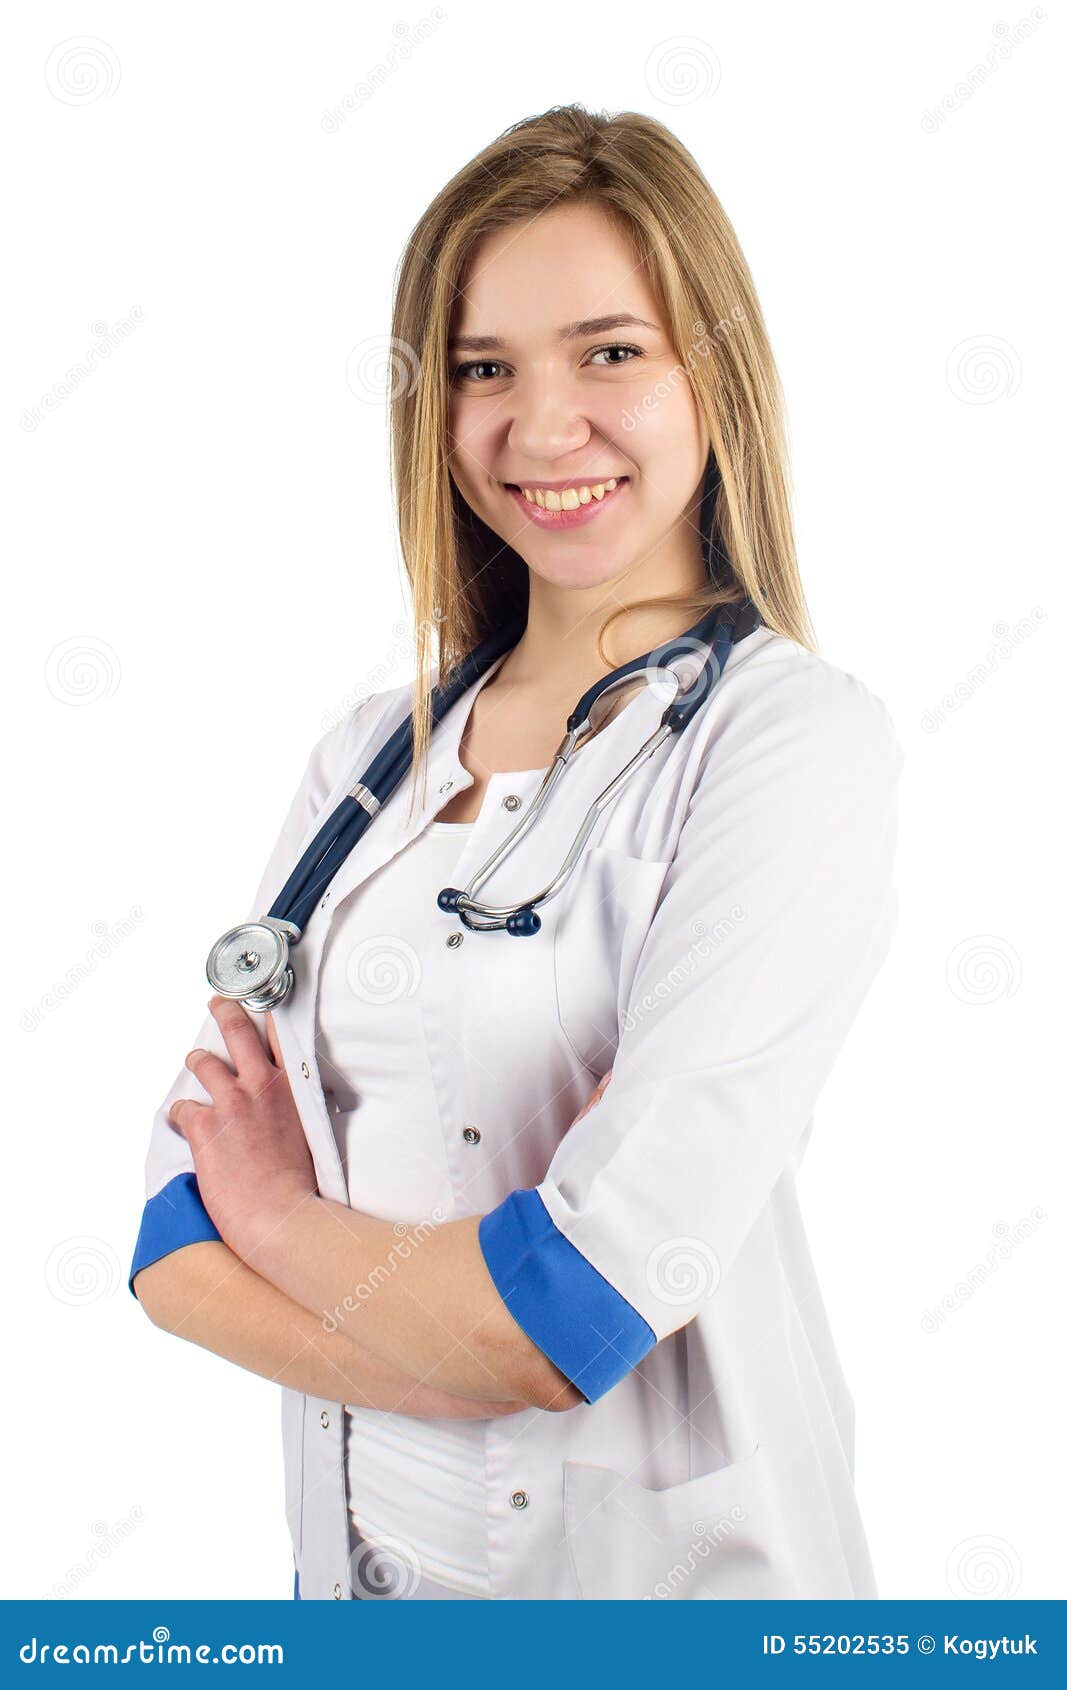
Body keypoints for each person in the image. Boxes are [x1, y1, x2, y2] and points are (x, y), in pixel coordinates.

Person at [129, 104, 903, 1601]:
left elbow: (568, 1311)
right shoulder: (370, 755)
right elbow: (170, 1247)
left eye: (609, 352)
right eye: (485, 368)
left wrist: (280, 1218)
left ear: (715, 372)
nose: (542, 429)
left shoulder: (791, 744)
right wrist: (464, 1336)